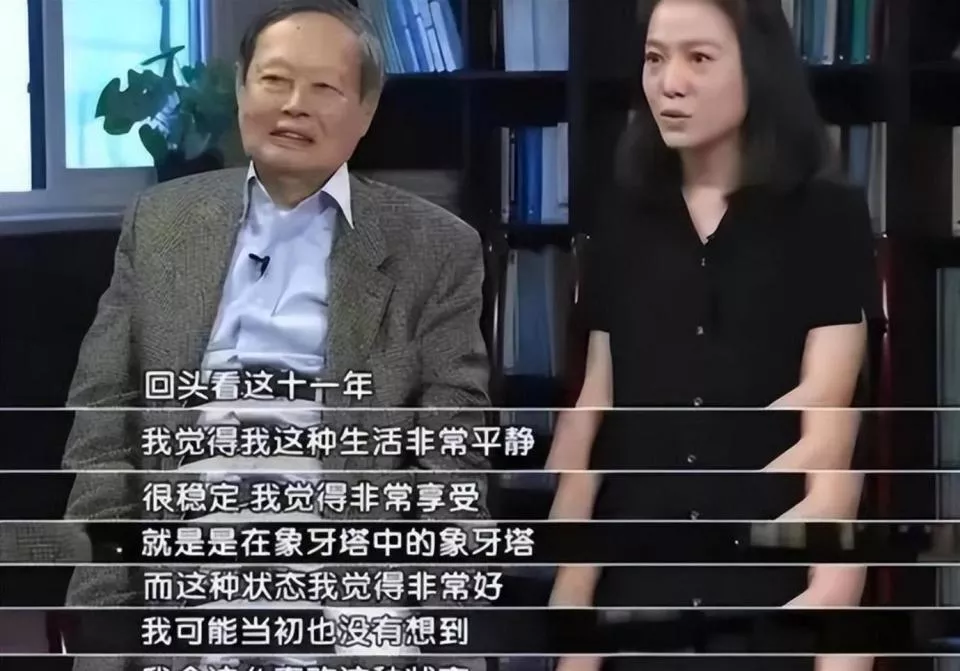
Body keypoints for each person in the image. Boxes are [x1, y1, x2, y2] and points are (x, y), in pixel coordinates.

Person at [46, 1, 490, 669]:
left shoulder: (435, 248)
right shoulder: (161, 223)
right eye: (275, 80)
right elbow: (104, 432)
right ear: (241, 88)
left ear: (367, 111)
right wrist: (107, 629)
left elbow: (452, 462)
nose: (294, 106)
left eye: (325, 88)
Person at [546, 0, 881, 670]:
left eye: (699, 58)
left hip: (768, 593)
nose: (669, 83)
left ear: (757, 68)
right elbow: (595, 416)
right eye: (655, 59)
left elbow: (830, 433)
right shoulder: (622, 217)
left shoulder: (827, 216)